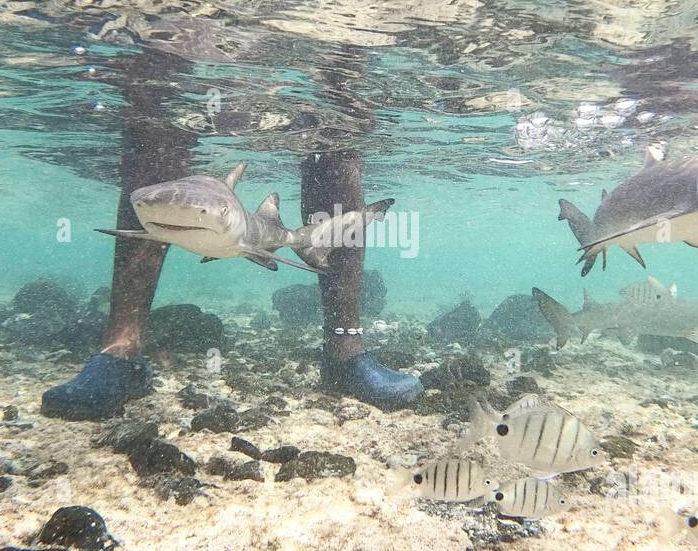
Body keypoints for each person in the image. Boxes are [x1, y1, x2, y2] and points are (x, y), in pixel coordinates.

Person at [40, 50, 422, 420]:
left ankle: (346, 351)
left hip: (308, 38)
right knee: (154, 118)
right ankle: (120, 349)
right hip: (187, 30)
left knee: (336, 132)